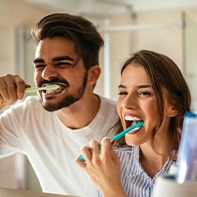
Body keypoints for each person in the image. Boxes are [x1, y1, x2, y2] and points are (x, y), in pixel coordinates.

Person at [0, 13, 121, 197]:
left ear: (93, 75)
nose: (46, 75)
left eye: (62, 63)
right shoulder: (27, 115)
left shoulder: (124, 124)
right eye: (40, 65)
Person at [75, 50, 191, 197]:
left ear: (173, 106)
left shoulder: (191, 168)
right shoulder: (108, 165)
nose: (127, 104)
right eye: (123, 93)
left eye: (144, 93)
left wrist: (111, 189)